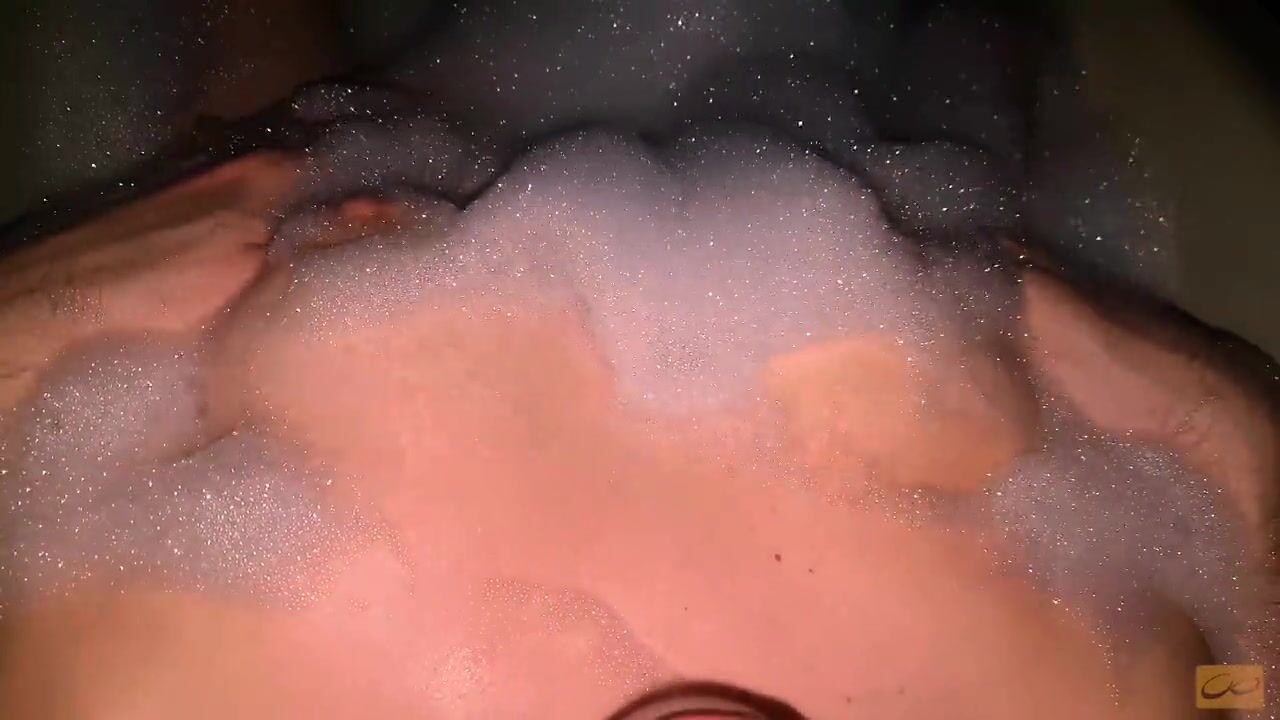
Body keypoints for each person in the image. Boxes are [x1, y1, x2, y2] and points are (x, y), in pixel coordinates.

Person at [0, 1, 1275, 718]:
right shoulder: (1120, 688)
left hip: (329, 192)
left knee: (253, 71)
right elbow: (1247, 660)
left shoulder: (135, 681)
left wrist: (91, 277)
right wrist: (1202, 413)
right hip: (919, 173)